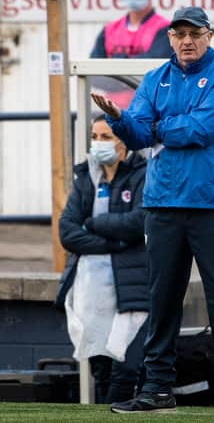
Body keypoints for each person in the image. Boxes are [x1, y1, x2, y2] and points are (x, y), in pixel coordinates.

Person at [91, 6, 214, 417]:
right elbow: (137, 134)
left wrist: (156, 127)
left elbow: (204, 127)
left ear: (209, 36)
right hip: (163, 205)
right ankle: (156, 390)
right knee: (163, 298)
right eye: (179, 34)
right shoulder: (155, 79)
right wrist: (119, 119)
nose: (186, 41)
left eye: (194, 33)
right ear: (170, 38)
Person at [56, 114, 149, 404]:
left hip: (131, 285)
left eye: (106, 137)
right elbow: (68, 232)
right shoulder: (85, 176)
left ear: (124, 142)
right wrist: (116, 242)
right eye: (95, 137)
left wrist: (93, 224)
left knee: (128, 368)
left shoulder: (143, 173)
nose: (98, 144)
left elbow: (138, 222)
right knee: (101, 368)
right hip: (90, 288)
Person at [90, 0, 172, 109]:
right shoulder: (110, 29)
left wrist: (116, 69)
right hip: (110, 109)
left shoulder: (164, 28)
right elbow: (94, 70)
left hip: (149, 109)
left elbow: (154, 68)